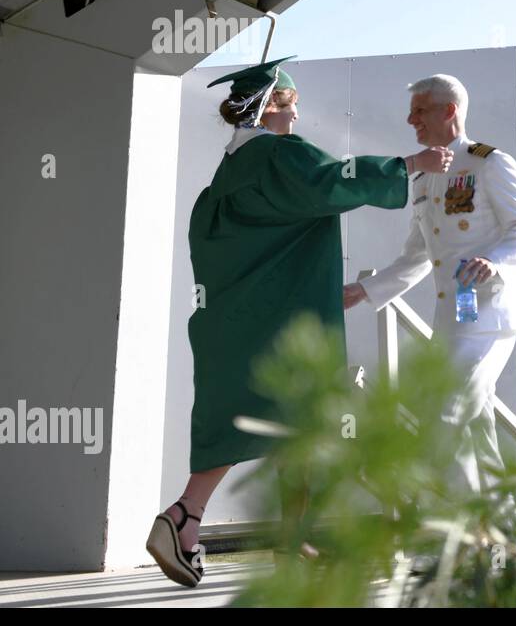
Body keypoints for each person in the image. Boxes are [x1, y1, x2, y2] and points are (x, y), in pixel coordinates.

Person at [146, 56, 452, 587]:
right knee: (298, 415)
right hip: (279, 324)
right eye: (292, 109)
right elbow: (333, 180)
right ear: (273, 109)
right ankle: (186, 519)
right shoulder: (278, 157)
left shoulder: (226, 175)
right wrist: (411, 164)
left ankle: (229, 529)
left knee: (268, 424)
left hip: (233, 323)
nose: (296, 120)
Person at [344, 74, 516, 495]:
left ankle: (460, 538)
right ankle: (499, 537)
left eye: (420, 110)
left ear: (449, 110)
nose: (410, 119)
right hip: (450, 320)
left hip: (489, 314)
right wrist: (366, 290)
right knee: (475, 423)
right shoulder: (425, 177)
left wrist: (497, 262)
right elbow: (418, 256)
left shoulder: (488, 162)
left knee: (444, 413)